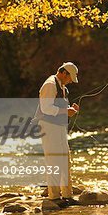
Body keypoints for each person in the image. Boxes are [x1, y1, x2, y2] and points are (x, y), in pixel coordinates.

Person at [35, 62, 80, 207]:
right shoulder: (50, 84)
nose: (70, 81)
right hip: (48, 127)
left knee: (65, 159)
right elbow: (46, 108)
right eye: (70, 78)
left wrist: (70, 109)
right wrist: (65, 111)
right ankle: (54, 197)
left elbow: (59, 107)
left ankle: (67, 195)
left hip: (59, 127)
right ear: (64, 73)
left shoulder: (62, 87)